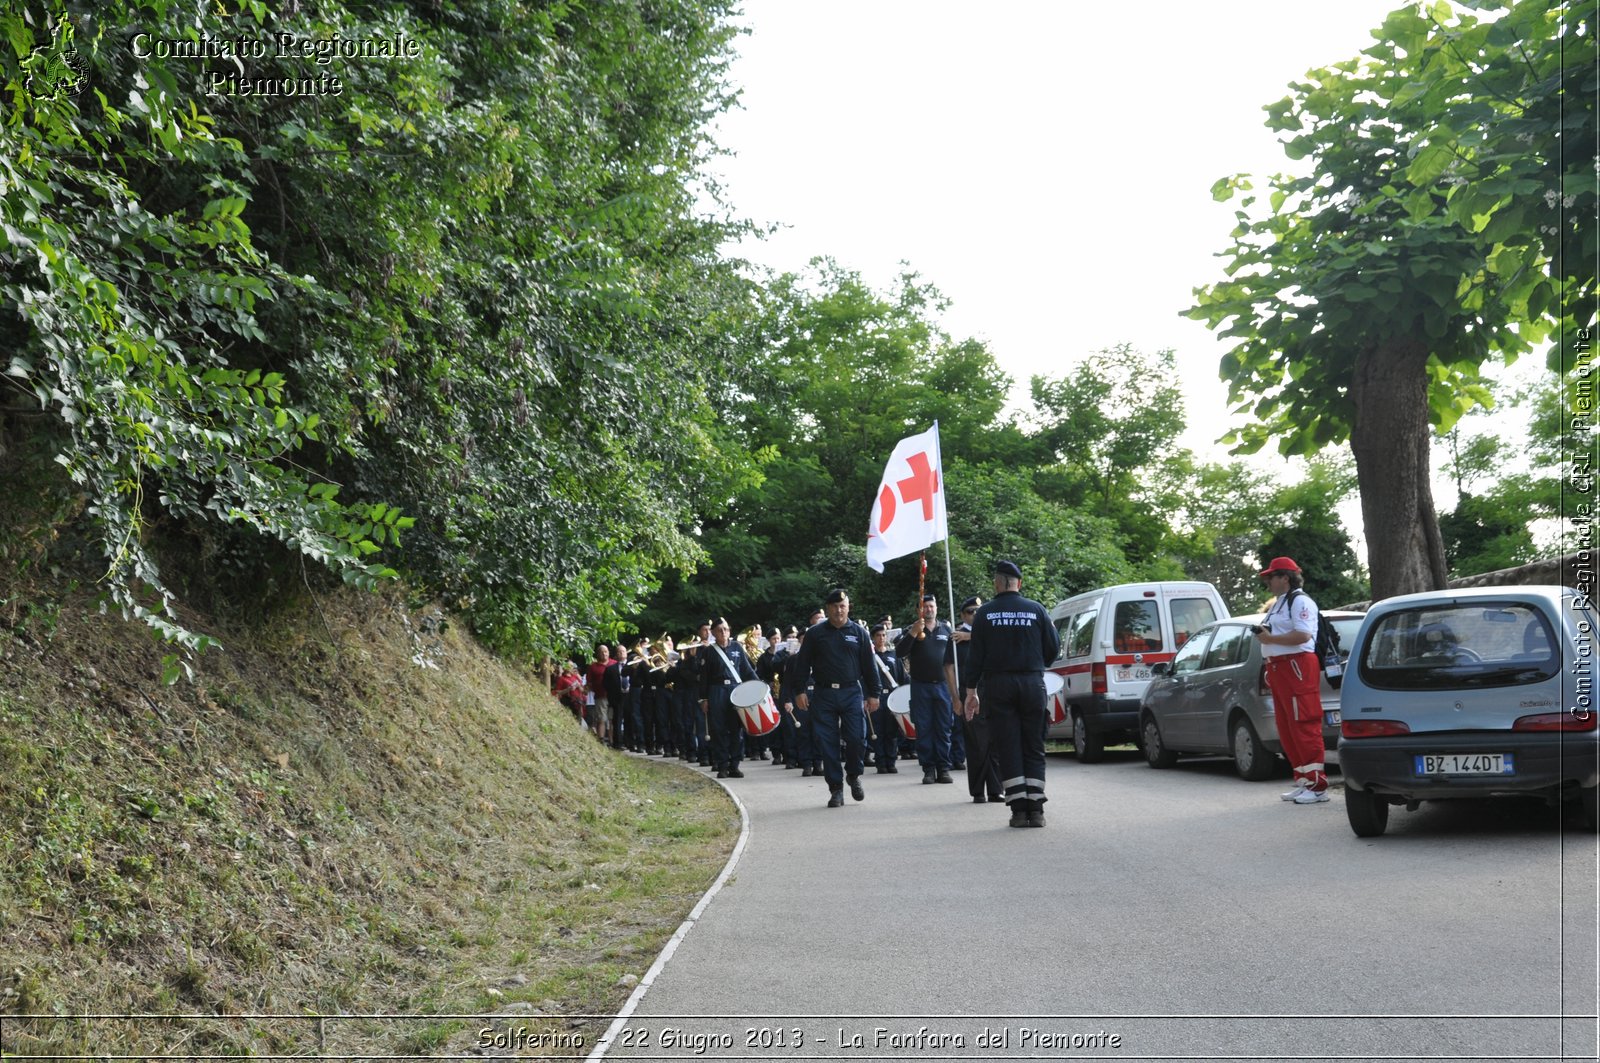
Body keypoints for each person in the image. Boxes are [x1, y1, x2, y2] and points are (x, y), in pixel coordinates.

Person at [963, 560, 1060, 828]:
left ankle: (1018, 811)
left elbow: (975, 659)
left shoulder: (984, 614)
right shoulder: (1037, 610)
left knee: (1008, 746)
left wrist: (971, 693)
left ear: (997, 583)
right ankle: (1036, 810)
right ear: (1020, 582)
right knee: (1033, 745)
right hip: (1031, 684)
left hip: (998, 686)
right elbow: (1053, 648)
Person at [1253, 556, 1330, 804]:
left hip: (1296, 667)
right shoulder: (1280, 603)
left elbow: (1303, 634)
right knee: (1287, 727)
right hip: (1280, 669)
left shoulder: (1300, 601)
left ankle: (1318, 784)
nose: (1268, 582)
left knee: (1303, 723)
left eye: (1271, 577)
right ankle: (1304, 780)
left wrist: (1271, 639)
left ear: (1284, 578)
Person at [793, 589, 880, 808]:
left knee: (857, 738)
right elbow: (802, 664)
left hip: (851, 692)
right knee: (827, 743)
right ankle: (836, 789)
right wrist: (800, 690)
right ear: (828, 608)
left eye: (843, 606)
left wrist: (874, 694)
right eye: (834, 606)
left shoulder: (859, 632)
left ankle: (853, 774)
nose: (839, 610)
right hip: (823, 694)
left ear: (848, 607)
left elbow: (869, 666)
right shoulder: (815, 633)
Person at [895, 594, 956, 785]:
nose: (928, 609)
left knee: (944, 728)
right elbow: (899, 652)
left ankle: (943, 768)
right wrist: (913, 632)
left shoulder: (946, 629)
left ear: (936, 608)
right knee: (924, 729)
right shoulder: (912, 630)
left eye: (931, 606)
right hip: (921, 686)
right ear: (919, 611)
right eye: (925, 607)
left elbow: (955, 659)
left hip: (943, 686)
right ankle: (928, 769)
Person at [951, 595, 1003, 804]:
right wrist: (955, 698)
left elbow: (1000, 640)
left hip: (992, 690)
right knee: (977, 744)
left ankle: (995, 789)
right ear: (963, 615)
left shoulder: (989, 632)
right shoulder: (956, 638)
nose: (976, 614)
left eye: (979, 611)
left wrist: (969, 637)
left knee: (995, 741)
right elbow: (948, 668)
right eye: (971, 611)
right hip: (969, 692)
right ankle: (978, 790)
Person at [700, 617, 759, 778]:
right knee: (719, 730)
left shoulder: (737, 647)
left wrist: (759, 686)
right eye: (719, 630)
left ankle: (735, 764)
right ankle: (722, 765)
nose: (723, 633)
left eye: (726, 629)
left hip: (736, 690)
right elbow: (704, 677)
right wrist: (704, 699)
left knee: (736, 729)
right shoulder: (709, 651)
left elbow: (747, 670)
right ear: (713, 633)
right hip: (717, 691)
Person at [868, 624, 904, 774]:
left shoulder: (893, 655)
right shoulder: (869, 657)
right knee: (878, 730)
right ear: (873, 638)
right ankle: (881, 762)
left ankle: (891, 760)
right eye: (878, 635)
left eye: (883, 635)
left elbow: (902, 676)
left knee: (892, 730)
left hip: (892, 696)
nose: (881, 638)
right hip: (877, 696)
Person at [585, 645, 612, 744]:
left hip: (613, 696)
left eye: (606, 651)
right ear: (598, 654)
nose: (604, 654)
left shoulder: (614, 663)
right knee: (601, 718)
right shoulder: (593, 667)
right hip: (600, 696)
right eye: (602, 652)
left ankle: (613, 741)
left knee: (612, 719)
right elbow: (589, 682)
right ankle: (601, 740)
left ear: (608, 652)